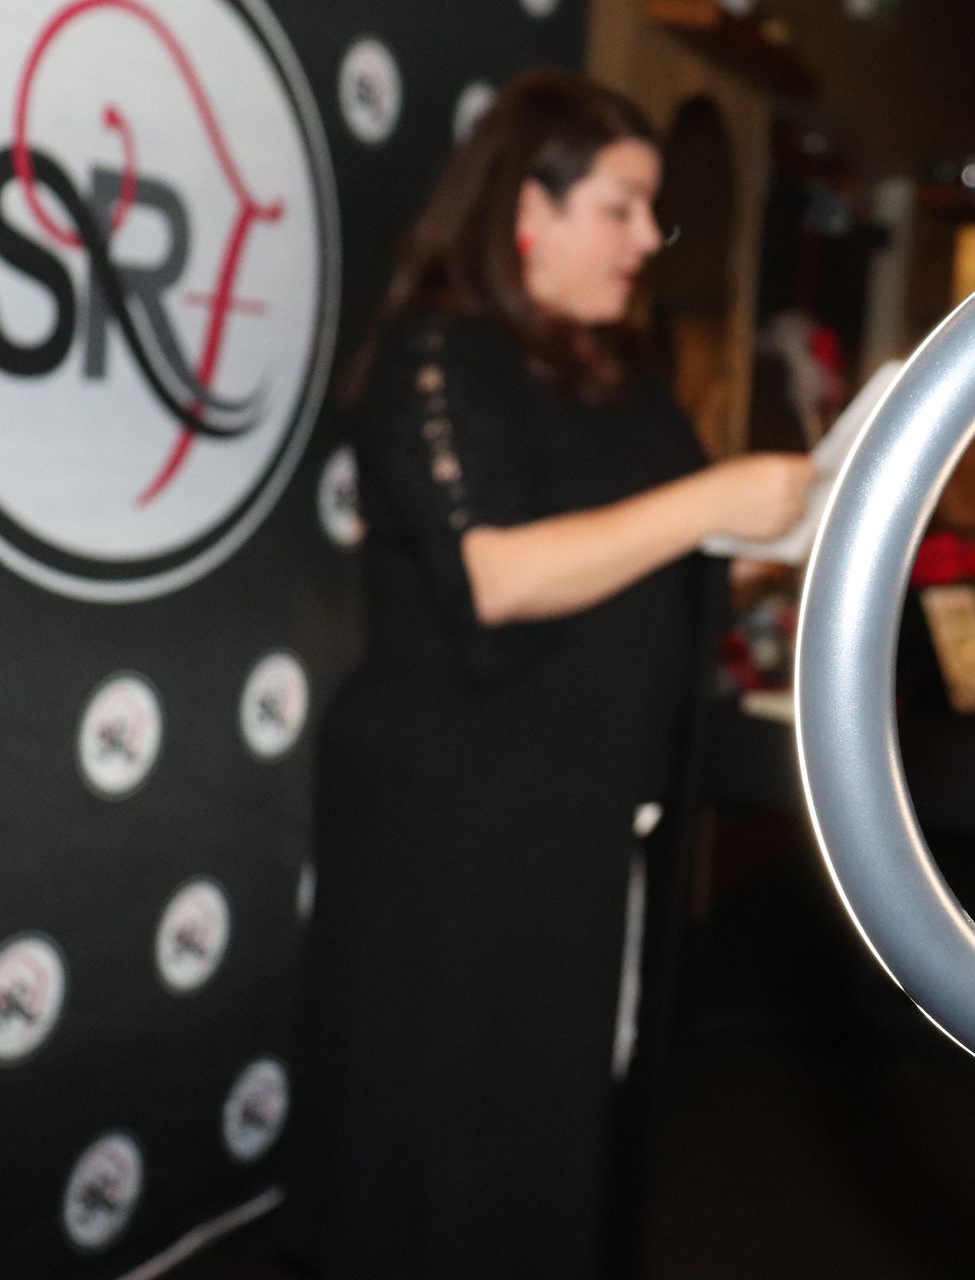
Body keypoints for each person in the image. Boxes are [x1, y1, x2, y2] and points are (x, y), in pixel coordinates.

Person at [288, 71, 812, 1278]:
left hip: (577, 808)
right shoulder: (440, 350)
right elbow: (500, 578)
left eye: (652, 212)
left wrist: (778, 552)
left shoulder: (619, 369)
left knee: (564, 1112)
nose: (647, 239)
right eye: (623, 207)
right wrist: (710, 501)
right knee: (446, 1129)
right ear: (529, 202)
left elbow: (640, 566)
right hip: (455, 824)